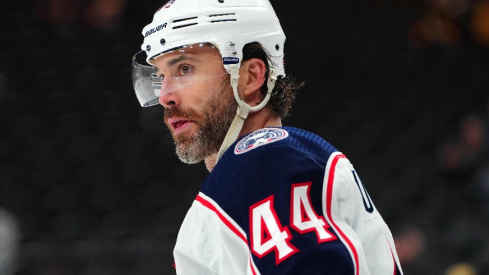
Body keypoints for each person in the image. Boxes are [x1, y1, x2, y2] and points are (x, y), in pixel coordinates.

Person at [131, 0, 403, 273]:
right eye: (160, 75)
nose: (165, 96)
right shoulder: (266, 165)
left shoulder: (265, 164)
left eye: (185, 69)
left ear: (250, 76)